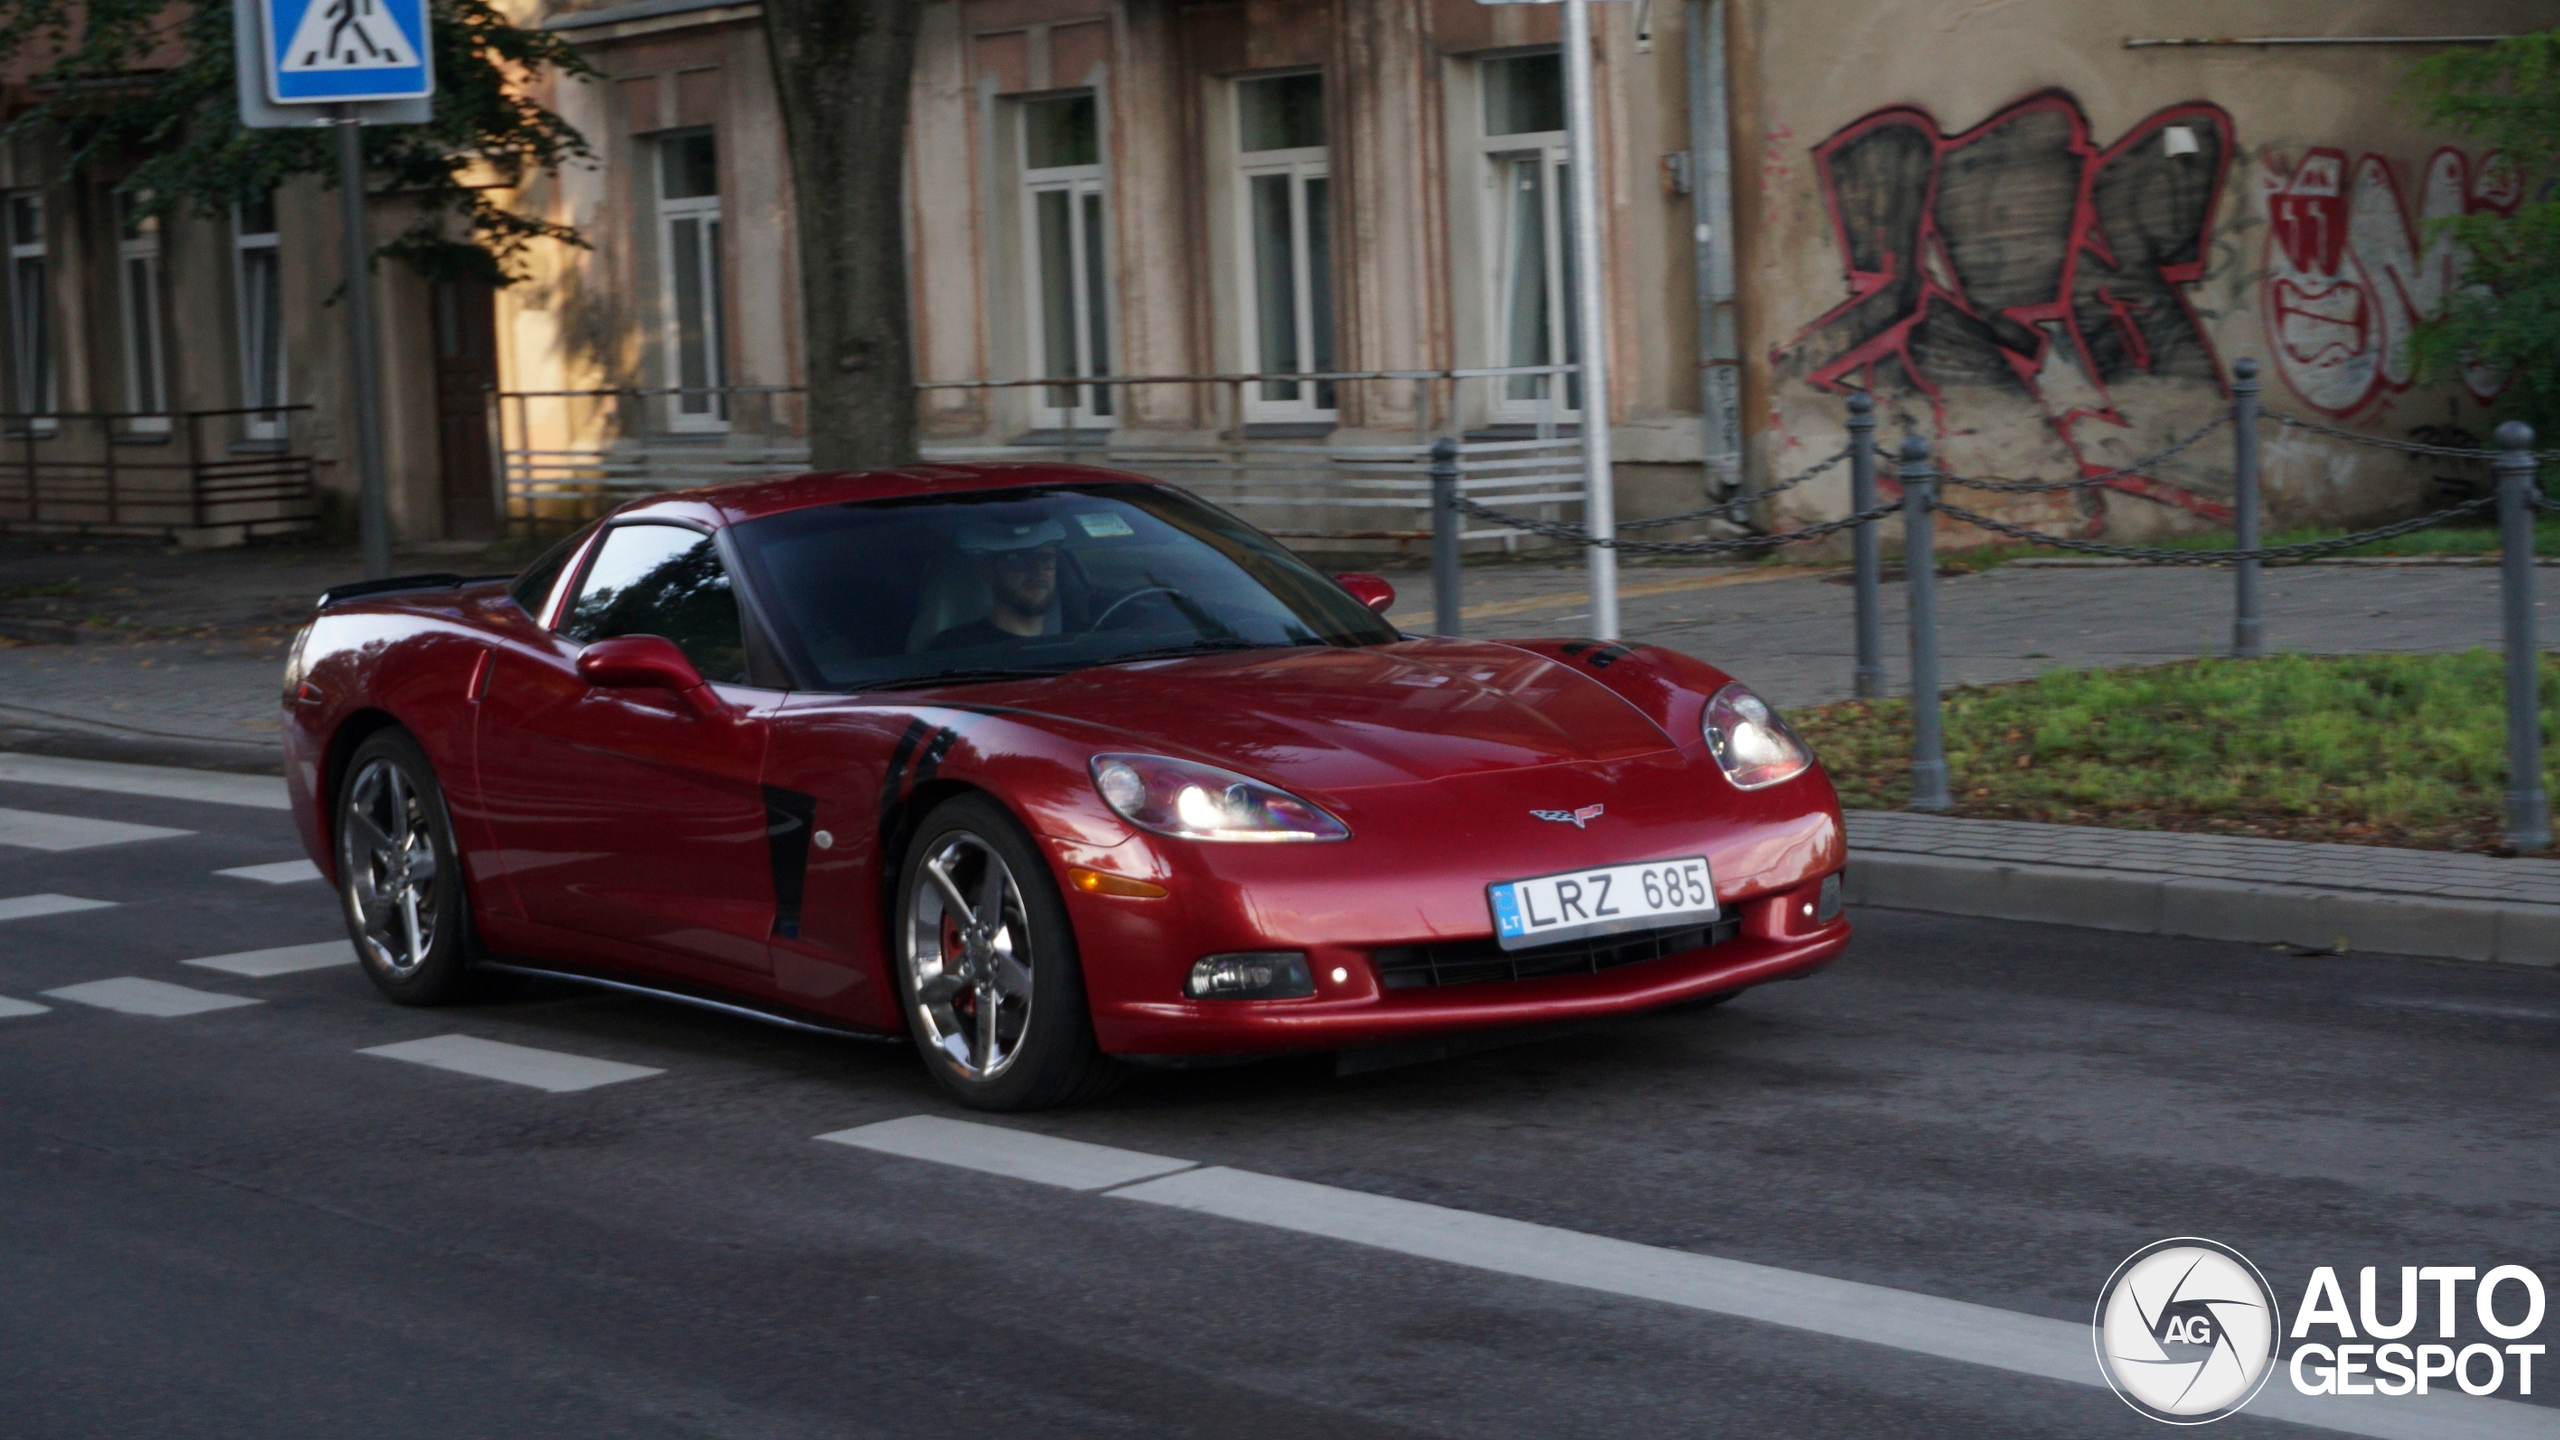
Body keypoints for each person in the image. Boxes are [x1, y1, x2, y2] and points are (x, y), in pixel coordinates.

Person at [929, 517, 1064, 650]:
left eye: (1046, 558)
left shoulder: (1069, 648)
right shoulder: (955, 648)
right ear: (988, 572)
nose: (1038, 571)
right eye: (1018, 559)